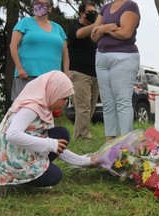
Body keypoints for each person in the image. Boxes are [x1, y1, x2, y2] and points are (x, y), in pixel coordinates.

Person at [0, 71, 96, 200]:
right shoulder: (32, 106)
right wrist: (50, 144)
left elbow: (57, 147)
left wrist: (84, 161)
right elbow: (12, 135)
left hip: (21, 151)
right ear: (54, 92)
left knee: (60, 134)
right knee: (54, 175)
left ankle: (27, 179)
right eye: (64, 98)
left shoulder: (45, 108)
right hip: (8, 156)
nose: (64, 103)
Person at [91, 0, 140, 142]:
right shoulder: (105, 8)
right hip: (101, 57)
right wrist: (105, 28)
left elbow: (126, 33)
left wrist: (101, 30)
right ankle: (109, 144)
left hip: (123, 57)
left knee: (123, 101)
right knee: (107, 103)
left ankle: (125, 144)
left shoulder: (130, 6)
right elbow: (94, 36)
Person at [9, 0, 69, 101]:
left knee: (47, 111)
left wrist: (66, 75)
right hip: (27, 76)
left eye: (43, 4)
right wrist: (19, 68)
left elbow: (65, 54)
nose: (39, 6)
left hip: (52, 78)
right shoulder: (25, 23)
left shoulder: (58, 28)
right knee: (25, 109)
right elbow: (13, 45)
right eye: (37, 3)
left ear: (50, 8)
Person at [67, 3, 99, 141]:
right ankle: (82, 137)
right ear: (81, 13)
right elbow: (79, 34)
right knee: (83, 107)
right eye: (90, 12)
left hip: (94, 74)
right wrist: (98, 23)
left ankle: (81, 133)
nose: (93, 14)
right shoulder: (75, 26)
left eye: (95, 12)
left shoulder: (93, 32)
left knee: (90, 108)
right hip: (79, 74)